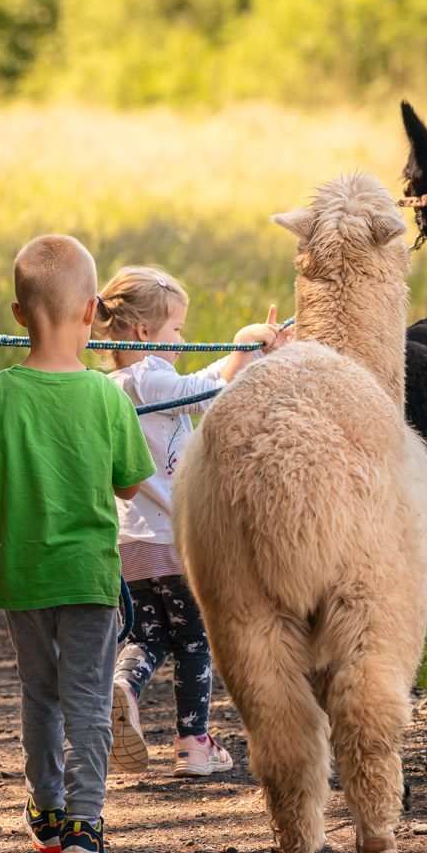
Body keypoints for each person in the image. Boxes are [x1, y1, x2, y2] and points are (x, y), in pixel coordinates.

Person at [0, 235, 156, 853]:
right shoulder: (106, 396)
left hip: (22, 573)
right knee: (90, 698)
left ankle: (46, 816)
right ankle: (84, 830)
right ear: (93, 311)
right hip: (89, 574)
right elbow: (127, 481)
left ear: (18, 315)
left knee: (40, 693)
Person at [94, 267, 288, 777]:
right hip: (172, 540)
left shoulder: (110, 386)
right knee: (196, 641)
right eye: (177, 329)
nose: (183, 339)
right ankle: (194, 744)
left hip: (129, 544)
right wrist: (246, 345)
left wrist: (251, 353)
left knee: (148, 637)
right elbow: (205, 394)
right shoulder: (150, 378)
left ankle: (126, 688)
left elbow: (199, 382)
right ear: (144, 334)